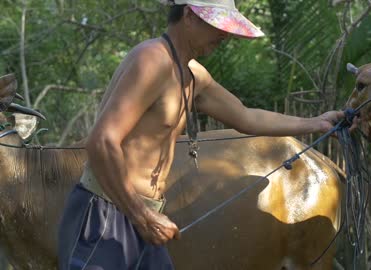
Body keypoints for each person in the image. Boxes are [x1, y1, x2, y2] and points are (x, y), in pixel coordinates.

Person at [57, 0, 347, 269]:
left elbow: (246, 117)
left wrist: (315, 123)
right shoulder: (152, 59)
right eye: (217, 25)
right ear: (189, 15)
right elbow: (102, 141)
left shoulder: (192, 74)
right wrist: (139, 214)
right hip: (108, 211)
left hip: (144, 215)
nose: (225, 36)